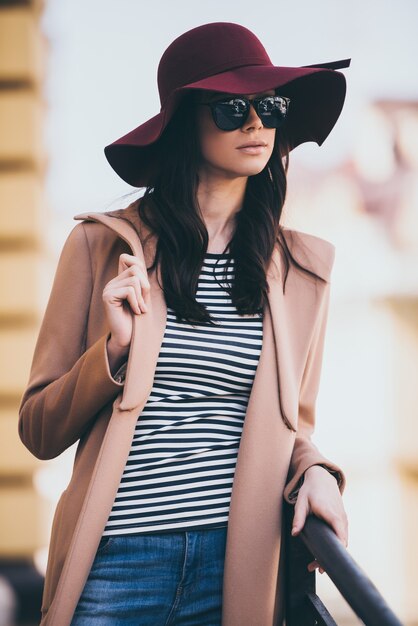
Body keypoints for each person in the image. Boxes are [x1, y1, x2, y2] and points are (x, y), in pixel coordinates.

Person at [18, 21, 351, 626]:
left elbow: (291, 426)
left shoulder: (301, 273)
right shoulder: (98, 247)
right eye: (231, 109)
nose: (255, 123)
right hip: (116, 565)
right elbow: (38, 429)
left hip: (234, 568)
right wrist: (113, 354)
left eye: (269, 106)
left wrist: (319, 473)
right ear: (185, 123)